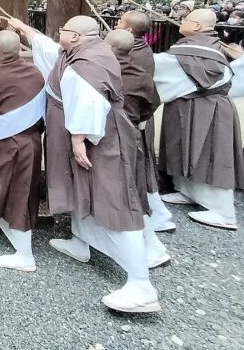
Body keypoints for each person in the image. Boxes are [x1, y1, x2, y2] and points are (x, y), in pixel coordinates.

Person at [9, 16, 160, 313]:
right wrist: (22, 28)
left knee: (111, 199)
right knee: (80, 188)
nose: (59, 32)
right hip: (76, 127)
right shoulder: (81, 52)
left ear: (76, 36)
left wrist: (78, 139)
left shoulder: (87, 65)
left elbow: (90, 103)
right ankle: (80, 242)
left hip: (97, 138)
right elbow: (48, 47)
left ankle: (141, 284)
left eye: (64, 29)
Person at [155, 8, 244, 230]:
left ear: (196, 26)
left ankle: (224, 213)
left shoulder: (197, 51)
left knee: (211, 155)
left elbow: (161, 67)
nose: (181, 21)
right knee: (186, 149)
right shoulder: (205, 45)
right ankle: (189, 192)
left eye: (185, 19)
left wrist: (131, 55)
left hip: (208, 110)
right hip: (192, 106)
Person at [0, 30, 45, 272]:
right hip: (30, 140)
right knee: (1, 181)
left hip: (8, 141)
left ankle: (25, 255)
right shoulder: (35, 72)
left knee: (18, 193)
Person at [105, 30, 171, 269]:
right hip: (132, 133)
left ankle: (149, 244)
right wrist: (138, 124)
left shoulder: (103, 73)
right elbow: (151, 106)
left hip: (111, 136)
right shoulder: (143, 76)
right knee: (131, 186)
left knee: (126, 191)